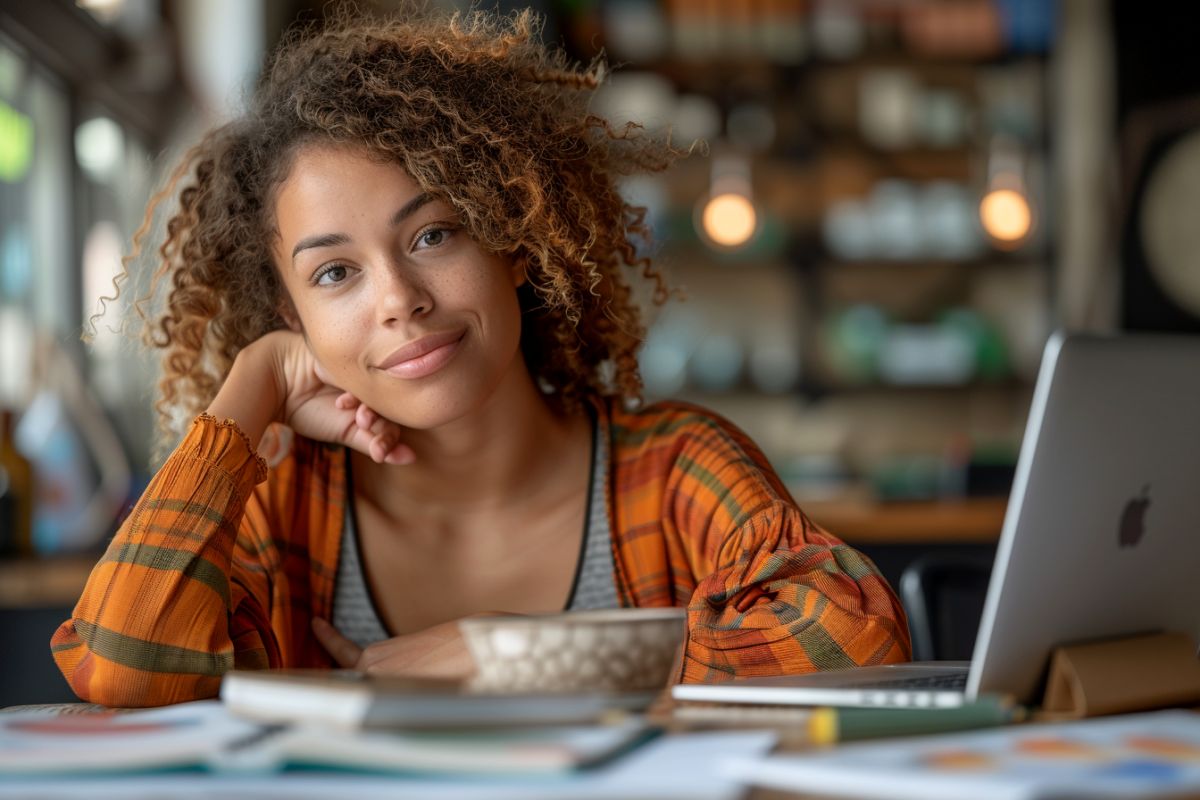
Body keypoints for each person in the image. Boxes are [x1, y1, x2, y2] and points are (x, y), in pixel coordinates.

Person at [52, 7, 910, 708]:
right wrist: (258, 381)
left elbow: (855, 639)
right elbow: (126, 665)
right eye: (335, 273)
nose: (398, 298)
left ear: (514, 242)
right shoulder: (285, 511)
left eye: (433, 233)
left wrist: (512, 655)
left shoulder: (676, 468)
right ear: (291, 315)